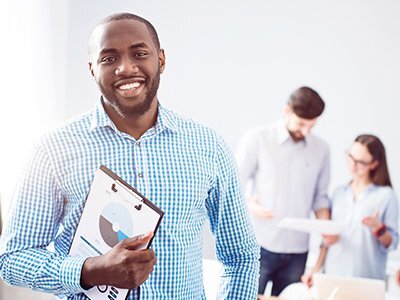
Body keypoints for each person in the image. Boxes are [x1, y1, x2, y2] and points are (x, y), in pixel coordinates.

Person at [0, 13, 260, 299]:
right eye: (108, 59)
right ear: (92, 70)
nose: (125, 68)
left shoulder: (208, 146)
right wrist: (90, 270)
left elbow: (241, 256)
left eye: (139, 53)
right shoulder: (53, 149)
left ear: (161, 59)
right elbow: (13, 259)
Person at [236, 87, 330, 297]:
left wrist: (327, 228)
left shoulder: (321, 150)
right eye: (301, 124)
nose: (305, 131)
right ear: (287, 111)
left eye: (311, 126)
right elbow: (232, 187)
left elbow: (320, 198)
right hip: (259, 244)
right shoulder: (257, 139)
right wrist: (250, 206)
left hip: (298, 250)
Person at [302, 134, 399, 286]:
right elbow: (327, 240)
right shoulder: (339, 193)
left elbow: (392, 243)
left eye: (360, 162)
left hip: (367, 280)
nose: (352, 165)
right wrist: (314, 270)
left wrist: (378, 228)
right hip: (333, 277)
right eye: (350, 157)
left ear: (374, 164)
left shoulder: (386, 196)